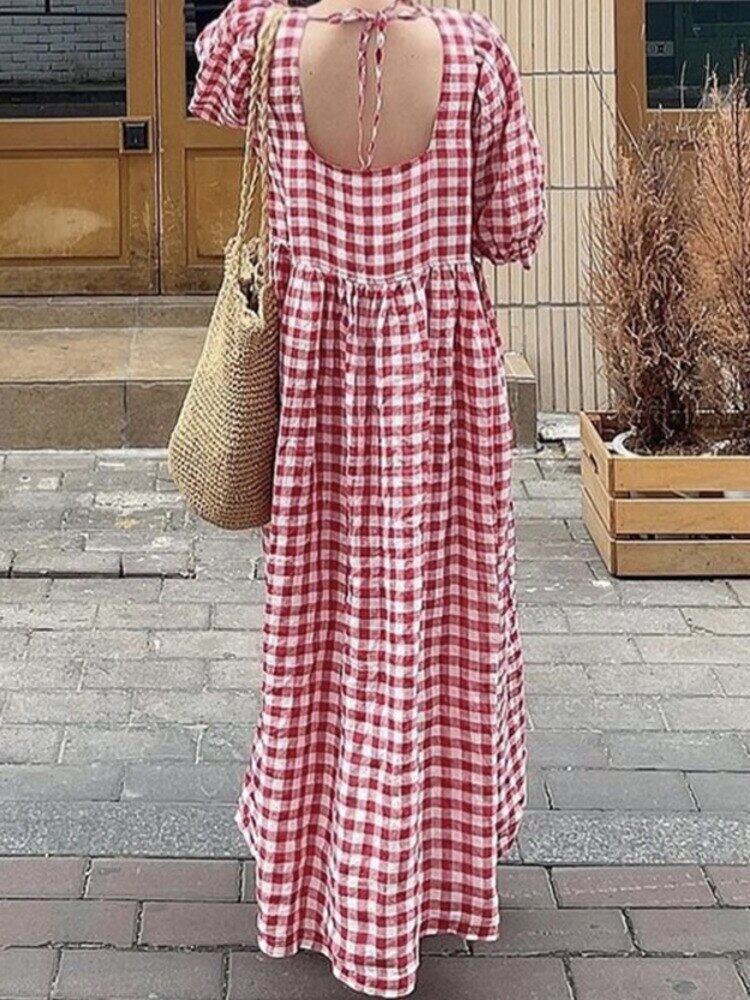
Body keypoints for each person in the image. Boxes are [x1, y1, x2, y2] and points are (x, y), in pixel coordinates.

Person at [189, 0, 546, 994]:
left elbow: (213, 96)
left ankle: (321, 871)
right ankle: (413, 874)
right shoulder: (473, 52)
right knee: (432, 630)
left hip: (318, 398)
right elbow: (514, 226)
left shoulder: (262, 43)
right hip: (437, 404)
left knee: (319, 627)